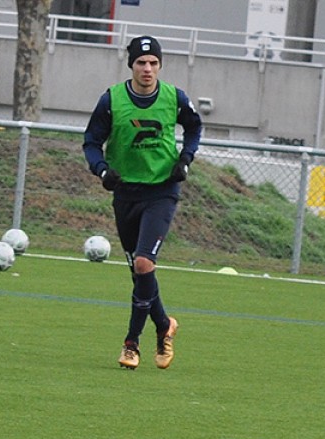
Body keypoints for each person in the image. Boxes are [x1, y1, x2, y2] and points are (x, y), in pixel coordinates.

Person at [82, 36, 203, 370]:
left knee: (143, 263)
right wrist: (101, 169)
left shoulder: (175, 98)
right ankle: (164, 325)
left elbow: (194, 128)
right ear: (131, 65)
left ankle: (131, 343)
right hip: (126, 194)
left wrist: (185, 159)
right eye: (141, 62)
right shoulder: (112, 100)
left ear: (160, 66)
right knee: (140, 274)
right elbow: (91, 142)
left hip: (162, 191)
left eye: (153, 63)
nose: (147, 69)